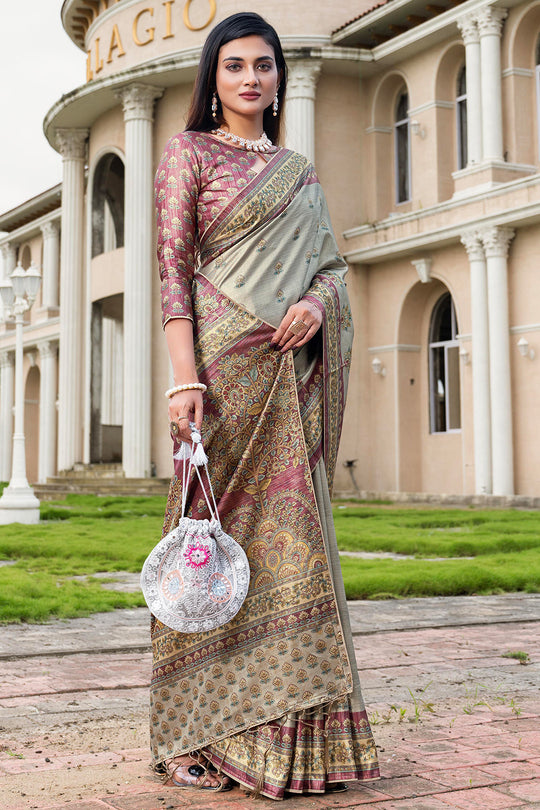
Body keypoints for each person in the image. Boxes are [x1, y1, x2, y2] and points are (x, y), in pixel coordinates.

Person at [151, 11, 380, 799]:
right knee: (201, 553)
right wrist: (186, 380)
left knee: (287, 556)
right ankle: (186, 735)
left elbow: (332, 271)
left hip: (288, 381)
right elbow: (171, 274)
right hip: (220, 384)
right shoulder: (188, 154)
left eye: (265, 66)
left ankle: (290, 739)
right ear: (213, 80)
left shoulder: (300, 171)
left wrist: (318, 308)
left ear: (279, 78)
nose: (253, 78)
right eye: (236, 66)